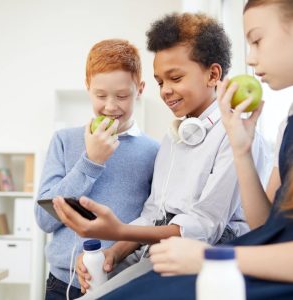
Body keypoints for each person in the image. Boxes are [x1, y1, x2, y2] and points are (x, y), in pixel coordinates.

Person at [88, 1, 293, 299]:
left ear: (213, 75)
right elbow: (268, 229)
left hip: (214, 255)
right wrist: (117, 249)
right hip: (186, 255)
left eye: (258, 40)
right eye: (160, 82)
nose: (251, 57)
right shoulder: (177, 137)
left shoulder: (231, 131)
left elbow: (208, 225)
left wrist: (120, 232)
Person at [34, 39, 160, 300]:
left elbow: (152, 222)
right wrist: (91, 161)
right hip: (62, 285)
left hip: (123, 284)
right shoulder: (64, 140)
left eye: (122, 96)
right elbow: (44, 219)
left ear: (140, 89)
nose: (111, 106)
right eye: (100, 95)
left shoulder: (154, 151)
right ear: (88, 88)